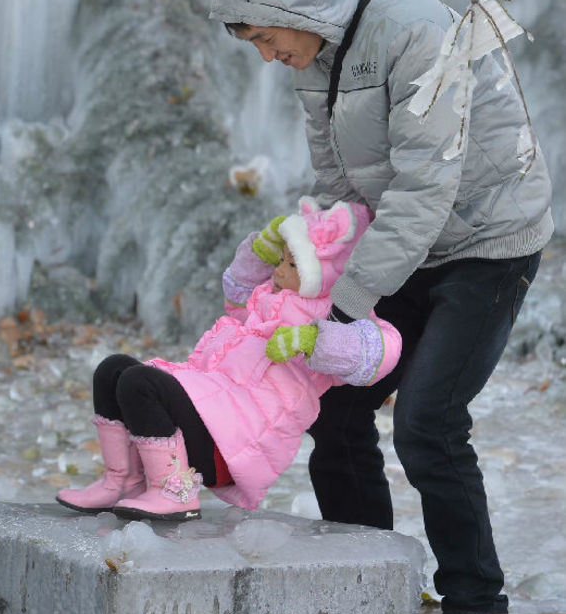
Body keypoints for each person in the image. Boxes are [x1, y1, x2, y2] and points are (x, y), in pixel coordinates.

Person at [209, 0, 553, 614]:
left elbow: (429, 187)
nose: (268, 57)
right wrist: (306, 268)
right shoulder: (317, 61)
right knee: (331, 406)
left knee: (428, 420)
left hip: (488, 245)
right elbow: (339, 189)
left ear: (292, 10)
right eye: (257, 48)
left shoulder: (413, 31)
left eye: (268, 38)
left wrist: (340, 308)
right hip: (407, 246)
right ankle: (369, 580)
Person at [56, 198, 401, 521]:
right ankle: (122, 479)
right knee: (112, 370)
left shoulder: (333, 314)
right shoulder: (267, 298)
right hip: (212, 413)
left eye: (292, 264)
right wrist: (259, 250)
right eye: (280, 260)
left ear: (324, 274)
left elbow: (382, 348)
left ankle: (174, 491)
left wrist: (314, 340)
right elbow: (236, 293)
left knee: (139, 383)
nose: (279, 271)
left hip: (230, 445)